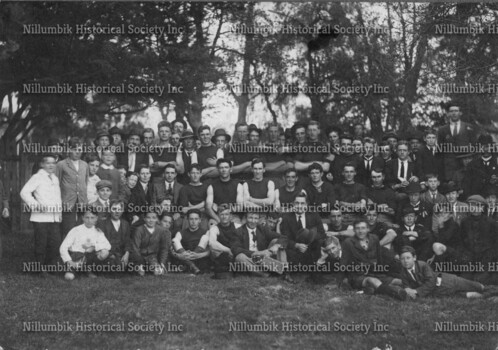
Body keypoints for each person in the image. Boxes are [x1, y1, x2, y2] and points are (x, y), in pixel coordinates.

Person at [340, 219, 406, 300]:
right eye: (357, 228)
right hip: (358, 276)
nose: (360, 231)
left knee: (397, 281)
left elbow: (379, 258)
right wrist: (339, 282)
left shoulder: (374, 239)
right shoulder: (348, 242)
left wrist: (382, 273)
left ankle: (375, 289)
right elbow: (343, 264)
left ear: (368, 229)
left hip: (374, 272)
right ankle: (395, 294)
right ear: (354, 230)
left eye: (363, 228)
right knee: (372, 281)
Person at [399, 246, 498, 299]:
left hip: (448, 281)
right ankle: (489, 297)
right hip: (440, 292)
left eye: (408, 258)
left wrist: (416, 291)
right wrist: (407, 289)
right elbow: (406, 285)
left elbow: (430, 282)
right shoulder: (403, 271)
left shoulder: (422, 265)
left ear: (414, 258)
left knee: (479, 286)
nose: (405, 261)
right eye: (402, 259)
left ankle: (494, 291)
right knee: (469, 295)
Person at [20, 154, 62, 275]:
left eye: (53, 163)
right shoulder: (37, 177)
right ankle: (39, 268)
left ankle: (49, 267)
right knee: (41, 243)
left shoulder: (55, 178)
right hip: (40, 218)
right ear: (42, 164)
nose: (51, 165)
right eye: (48, 163)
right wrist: (36, 205)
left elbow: (57, 198)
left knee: (54, 243)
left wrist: (59, 214)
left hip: (53, 217)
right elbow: (24, 192)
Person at [231, 211, 289, 279]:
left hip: (263, 260)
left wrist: (276, 246)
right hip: (250, 259)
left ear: (258, 219)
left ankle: (285, 272)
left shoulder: (262, 229)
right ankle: (268, 274)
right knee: (240, 257)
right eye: (250, 218)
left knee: (277, 242)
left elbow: (284, 237)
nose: (253, 221)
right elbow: (235, 249)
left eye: (255, 218)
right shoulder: (238, 231)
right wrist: (259, 253)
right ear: (246, 218)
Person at [59, 206, 111, 280]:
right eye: (87, 217)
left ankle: (88, 270)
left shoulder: (98, 231)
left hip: (89, 258)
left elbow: (108, 245)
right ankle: (76, 271)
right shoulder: (75, 230)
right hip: (76, 257)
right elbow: (63, 248)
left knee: (105, 252)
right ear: (83, 218)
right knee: (69, 277)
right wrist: (69, 261)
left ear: (96, 218)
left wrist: (94, 246)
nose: (89, 220)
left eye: (92, 217)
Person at [280, 192, 326, 269]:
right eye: (297, 203)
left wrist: (310, 238)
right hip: (294, 249)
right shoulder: (287, 218)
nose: (300, 206)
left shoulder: (314, 215)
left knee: (319, 243)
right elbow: (285, 237)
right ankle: (290, 271)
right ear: (293, 204)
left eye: (302, 203)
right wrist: (296, 245)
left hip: (310, 247)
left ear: (306, 204)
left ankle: (315, 272)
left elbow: (322, 233)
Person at [56, 138, 89, 237]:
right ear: (69, 149)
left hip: (82, 201)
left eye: (80, 149)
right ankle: (65, 250)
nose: (77, 152)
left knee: (82, 227)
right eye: (75, 149)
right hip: (68, 201)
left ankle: (79, 251)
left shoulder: (84, 165)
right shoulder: (61, 164)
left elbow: (85, 182)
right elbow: (57, 184)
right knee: (68, 228)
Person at [437, 103, 477, 182]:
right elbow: (440, 152)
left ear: (460, 113)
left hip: (465, 167)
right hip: (449, 169)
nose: (454, 113)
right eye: (451, 111)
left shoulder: (469, 127)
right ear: (448, 113)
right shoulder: (442, 130)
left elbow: (475, 149)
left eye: (456, 111)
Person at [130, 209, 171, 276]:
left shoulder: (161, 230)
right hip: (139, 257)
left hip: (152, 257)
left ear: (157, 219)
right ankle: (140, 268)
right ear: (144, 219)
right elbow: (135, 248)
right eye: (148, 217)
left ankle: (151, 268)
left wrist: (162, 264)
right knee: (140, 273)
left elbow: (164, 249)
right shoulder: (139, 230)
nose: (151, 220)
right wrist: (140, 263)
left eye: (154, 218)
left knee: (157, 272)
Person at [171, 209, 210, 275]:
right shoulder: (181, 232)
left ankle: (193, 267)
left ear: (200, 220)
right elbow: (174, 243)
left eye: (196, 219)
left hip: (199, 259)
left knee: (205, 238)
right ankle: (194, 267)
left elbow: (211, 250)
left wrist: (199, 255)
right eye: (191, 219)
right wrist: (180, 255)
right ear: (187, 220)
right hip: (185, 258)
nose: (193, 221)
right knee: (175, 240)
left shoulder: (206, 232)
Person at [208, 204, 241, 278]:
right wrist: (227, 250)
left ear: (230, 216)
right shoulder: (214, 228)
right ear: (218, 216)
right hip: (222, 255)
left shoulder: (237, 226)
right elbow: (212, 243)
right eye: (222, 214)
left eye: (226, 214)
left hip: (235, 254)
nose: (224, 216)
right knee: (216, 253)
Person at [205, 158, 243, 224]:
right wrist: (219, 221)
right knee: (212, 231)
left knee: (238, 231)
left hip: (233, 217)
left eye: (226, 167)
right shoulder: (211, 186)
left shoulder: (238, 185)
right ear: (218, 170)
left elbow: (240, 206)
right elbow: (208, 207)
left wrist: (222, 209)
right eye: (221, 167)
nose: (224, 170)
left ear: (230, 169)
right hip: (217, 217)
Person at [98, 200, 132, 272]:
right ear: (110, 210)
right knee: (113, 267)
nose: (117, 212)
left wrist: (127, 254)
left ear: (122, 211)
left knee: (135, 260)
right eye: (114, 209)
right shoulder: (103, 224)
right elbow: (100, 243)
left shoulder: (125, 224)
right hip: (109, 253)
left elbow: (127, 241)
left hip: (121, 252)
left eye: (119, 209)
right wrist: (110, 255)